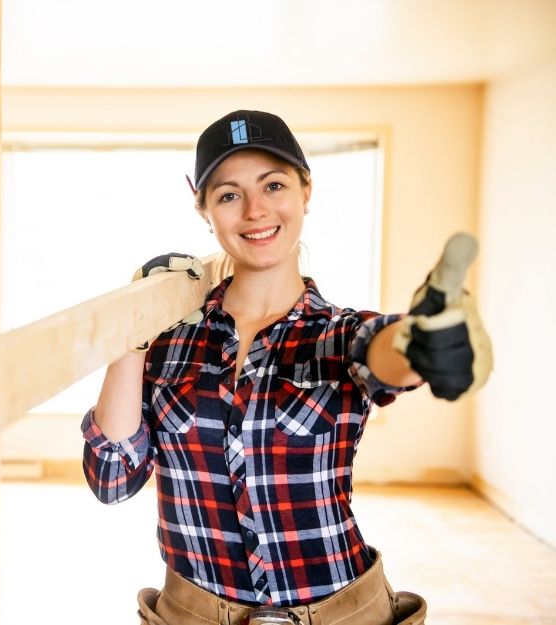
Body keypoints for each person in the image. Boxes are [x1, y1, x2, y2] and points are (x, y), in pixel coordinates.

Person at [80, 110, 488, 625]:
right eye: (229, 194)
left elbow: (383, 353)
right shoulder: (167, 343)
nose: (255, 210)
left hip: (341, 612)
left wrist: (418, 343)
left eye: (273, 185)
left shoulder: (335, 334)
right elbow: (111, 480)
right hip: (193, 614)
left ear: (305, 191)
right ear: (202, 206)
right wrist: (132, 326)